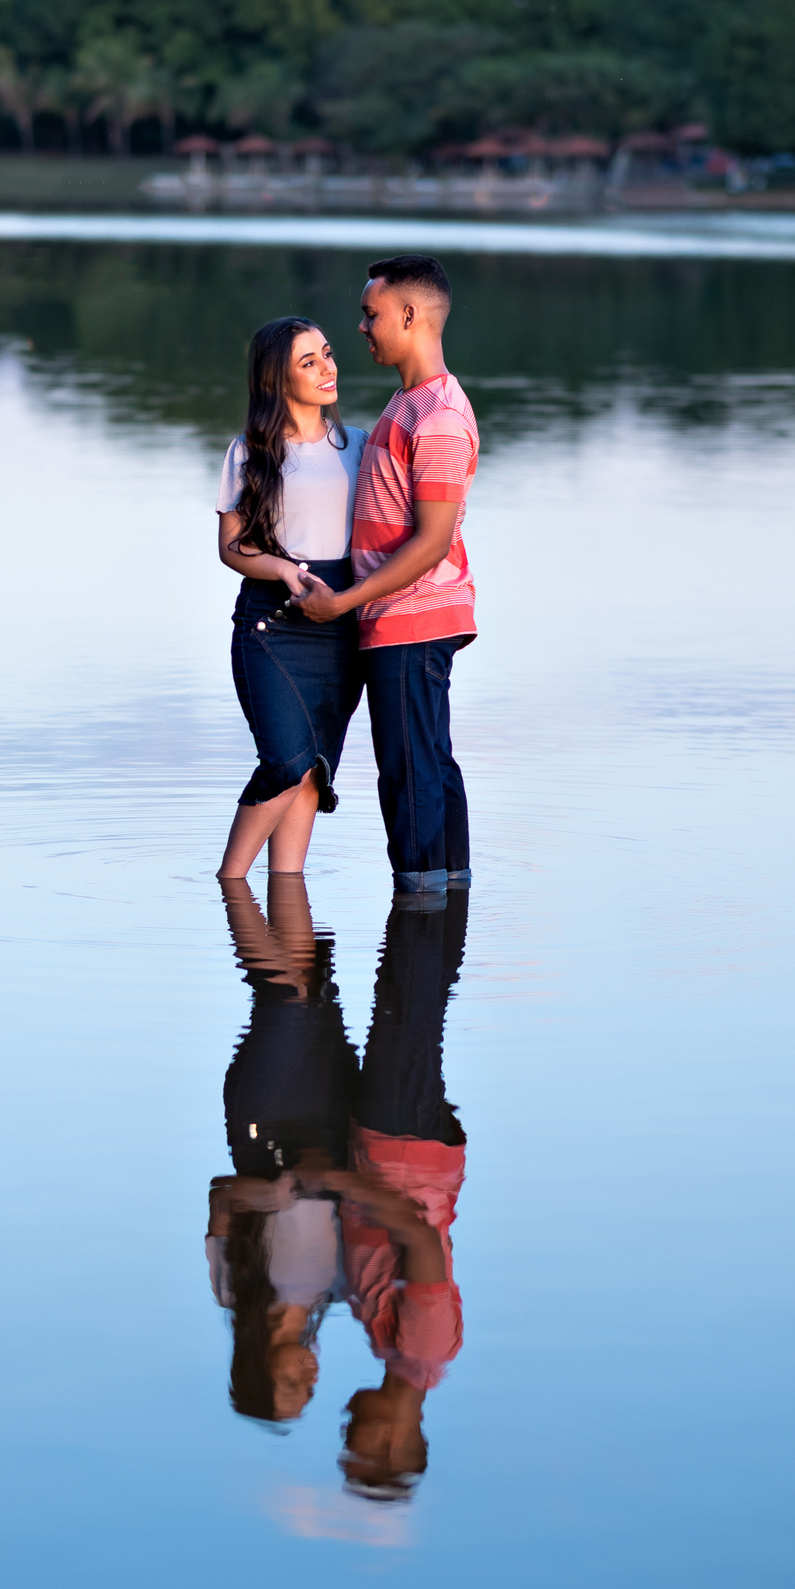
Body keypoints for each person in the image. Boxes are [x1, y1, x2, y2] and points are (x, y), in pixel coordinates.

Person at [292, 257, 478, 899]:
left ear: (410, 315)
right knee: (427, 760)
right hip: (397, 619)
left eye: (371, 315)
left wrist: (344, 601)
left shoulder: (439, 415)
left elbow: (431, 543)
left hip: (413, 618)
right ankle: (444, 908)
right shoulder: (407, 403)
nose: (362, 327)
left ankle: (422, 903)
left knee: (410, 769)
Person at [299, 890, 469, 1498]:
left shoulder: (394, 1354)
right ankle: (429, 893)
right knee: (407, 1001)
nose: (347, 1429)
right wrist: (335, 1181)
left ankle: (436, 895)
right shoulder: (422, 1352)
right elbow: (418, 1239)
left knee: (406, 1003)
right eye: (358, 1445)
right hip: (405, 1149)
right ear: (396, 1443)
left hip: (395, 1147)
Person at [216, 317, 368, 879]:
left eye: (327, 353)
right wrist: (283, 569)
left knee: (312, 773)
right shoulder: (249, 453)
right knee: (285, 762)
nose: (328, 368)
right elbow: (231, 547)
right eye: (309, 362)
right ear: (277, 379)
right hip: (272, 626)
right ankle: (231, 885)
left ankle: (286, 894)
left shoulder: (362, 446)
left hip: (342, 627)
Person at [206, 876, 359, 1424]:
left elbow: (221, 1197)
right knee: (312, 982)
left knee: (285, 999)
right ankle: (289, 850)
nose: (310, 1376)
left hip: (263, 1127)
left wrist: (278, 1193)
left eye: (292, 1383)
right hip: (330, 1119)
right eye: (308, 1388)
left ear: (257, 1366)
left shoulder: (232, 1292)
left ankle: (234, 885)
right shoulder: (339, 1292)